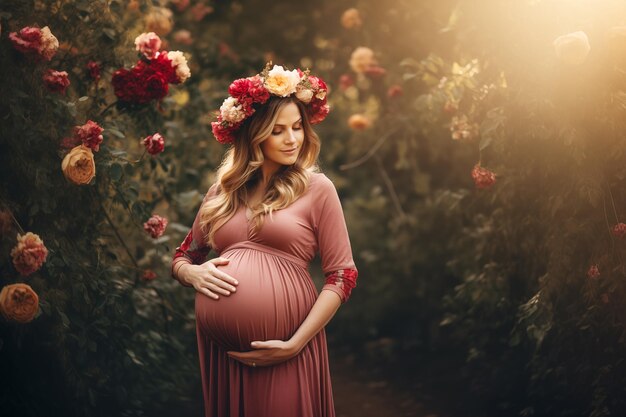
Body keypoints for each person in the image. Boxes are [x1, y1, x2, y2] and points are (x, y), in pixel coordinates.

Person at [170, 63, 358, 417]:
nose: (292, 139)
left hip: (287, 348)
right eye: (278, 131)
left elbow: (341, 276)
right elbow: (184, 256)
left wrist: (293, 345)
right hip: (224, 356)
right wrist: (191, 275)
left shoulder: (317, 189)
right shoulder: (221, 192)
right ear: (255, 135)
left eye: (298, 127)